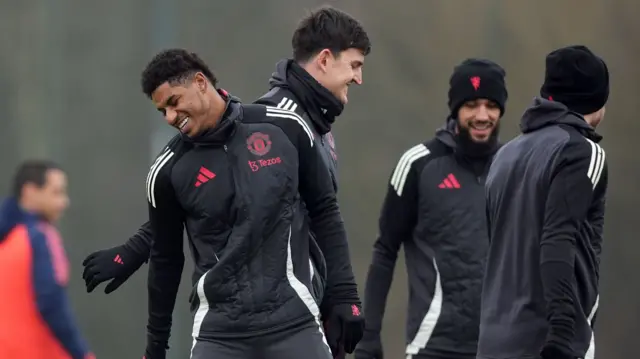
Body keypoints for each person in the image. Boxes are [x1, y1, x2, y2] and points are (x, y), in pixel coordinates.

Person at [81, 6, 370, 357]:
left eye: (174, 104)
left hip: (297, 316)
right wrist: (139, 249)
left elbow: (316, 211)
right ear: (325, 59)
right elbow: (215, 201)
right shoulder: (279, 118)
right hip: (225, 329)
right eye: (354, 66)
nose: (358, 79)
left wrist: (341, 296)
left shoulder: (303, 125)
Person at [138, 48, 363, 359]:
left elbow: (325, 212)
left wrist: (344, 295)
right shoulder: (167, 172)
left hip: (295, 325)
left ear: (201, 82)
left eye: (174, 103)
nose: (170, 118)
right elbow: (165, 261)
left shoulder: (285, 128)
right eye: (162, 111)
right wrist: (155, 348)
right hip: (219, 337)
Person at [355, 59, 508, 359]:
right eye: (472, 105)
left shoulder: (516, 166)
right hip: (433, 347)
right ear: (455, 110)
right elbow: (385, 251)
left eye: (491, 105)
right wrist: (368, 335)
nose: (482, 115)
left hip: (504, 347)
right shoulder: (418, 165)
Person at [479, 45, 608, 359]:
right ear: (597, 100)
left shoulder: (504, 155)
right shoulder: (582, 151)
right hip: (550, 342)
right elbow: (558, 240)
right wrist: (563, 332)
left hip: (493, 342)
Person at [0, 160, 95, 359]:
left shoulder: (6, 240)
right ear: (30, 191)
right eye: (56, 193)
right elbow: (51, 304)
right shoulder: (41, 237)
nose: (64, 202)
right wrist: (81, 353)